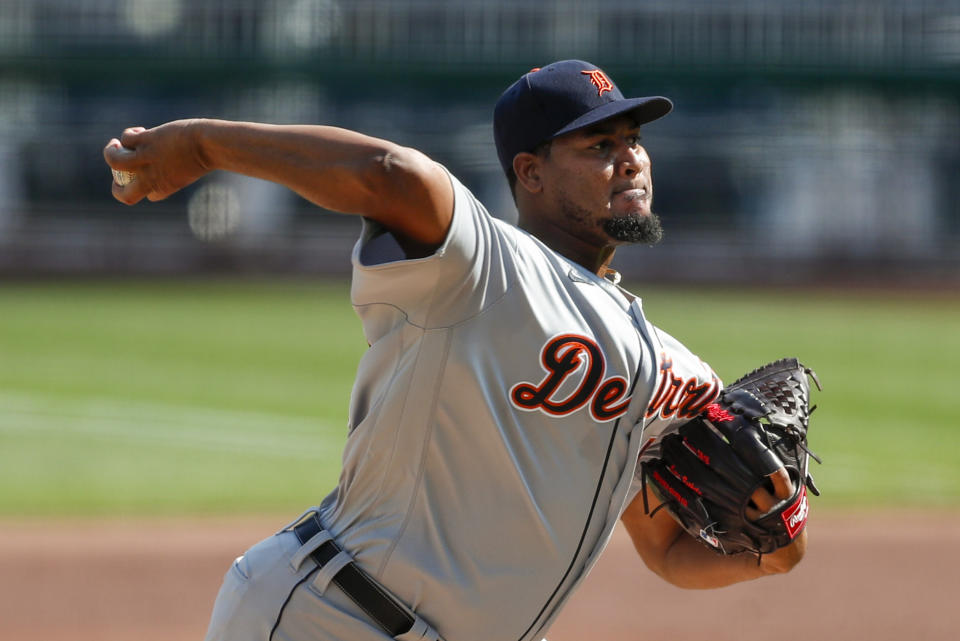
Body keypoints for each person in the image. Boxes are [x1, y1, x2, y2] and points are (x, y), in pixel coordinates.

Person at [104, 59, 806, 641]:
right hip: (333, 616)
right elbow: (389, 173)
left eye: (633, 139)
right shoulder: (482, 265)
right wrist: (202, 145)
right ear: (530, 173)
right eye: (598, 146)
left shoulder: (670, 367)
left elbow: (667, 550)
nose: (629, 158)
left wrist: (773, 548)